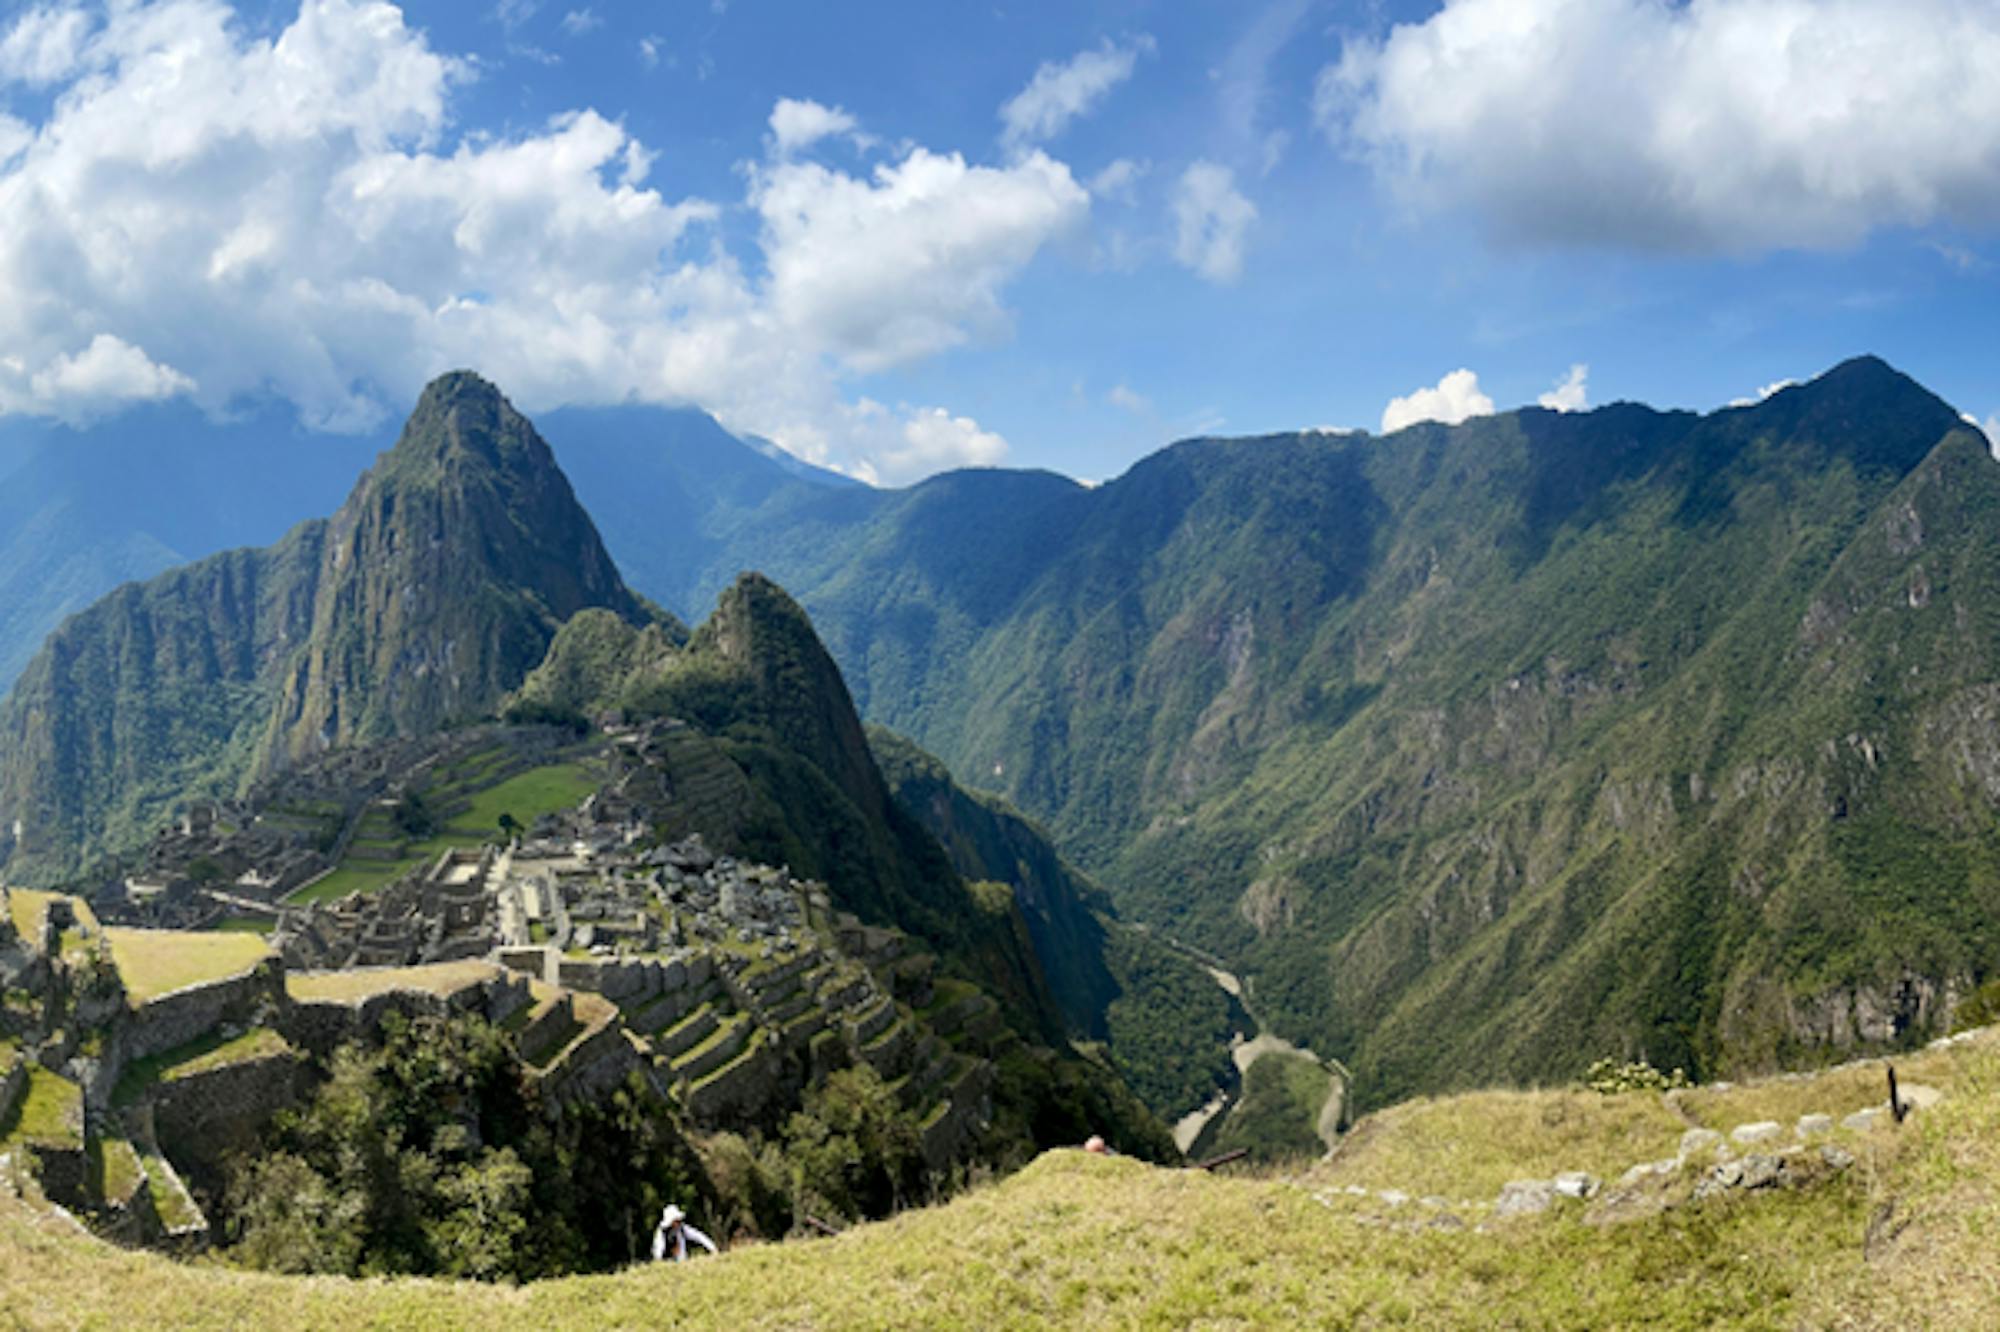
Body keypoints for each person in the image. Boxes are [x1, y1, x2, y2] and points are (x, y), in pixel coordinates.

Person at [651, 1203, 720, 1263]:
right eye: (676, 1220)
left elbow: (698, 1236)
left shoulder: (682, 1228)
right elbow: (658, 1250)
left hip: (682, 1262)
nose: (679, 1222)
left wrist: (713, 1249)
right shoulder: (662, 1233)